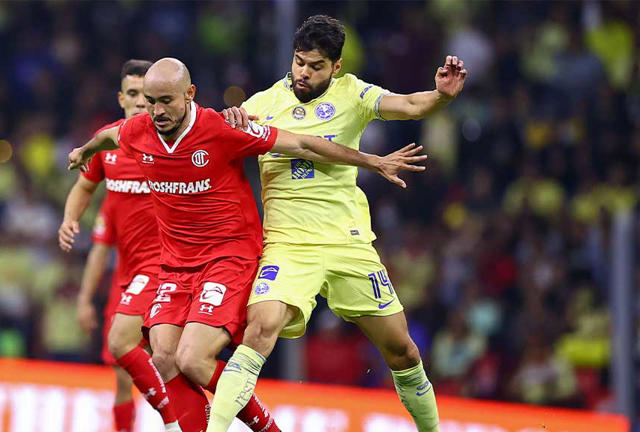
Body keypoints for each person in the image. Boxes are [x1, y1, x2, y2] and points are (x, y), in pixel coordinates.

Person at [68, 57, 427, 432]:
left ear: (190, 95)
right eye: (151, 100)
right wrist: (84, 151)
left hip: (228, 257)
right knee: (164, 357)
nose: (157, 111)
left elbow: (303, 143)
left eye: (167, 101)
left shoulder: (219, 129)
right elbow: (109, 136)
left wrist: (371, 161)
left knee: (192, 358)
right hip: (175, 265)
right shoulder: (137, 131)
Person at [210, 15, 467, 432]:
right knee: (260, 329)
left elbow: (410, 105)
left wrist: (441, 96)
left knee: (402, 351)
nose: (303, 73)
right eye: (298, 62)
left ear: (336, 67)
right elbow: (214, 137)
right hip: (288, 245)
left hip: (348, 243)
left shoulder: (355, 94)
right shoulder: (262, 104)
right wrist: (227, 121)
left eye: (314, 66)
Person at [58, 59, 185, 432]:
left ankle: (178, 419)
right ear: (121, 98)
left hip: (165, 268)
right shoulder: (108, 147)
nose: (140, 104)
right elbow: (85, 190)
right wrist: (69, 219)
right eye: (132, 95)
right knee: (122, 370)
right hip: (126, 277)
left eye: (145, 97)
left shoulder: (169, 143)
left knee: (159, 355)